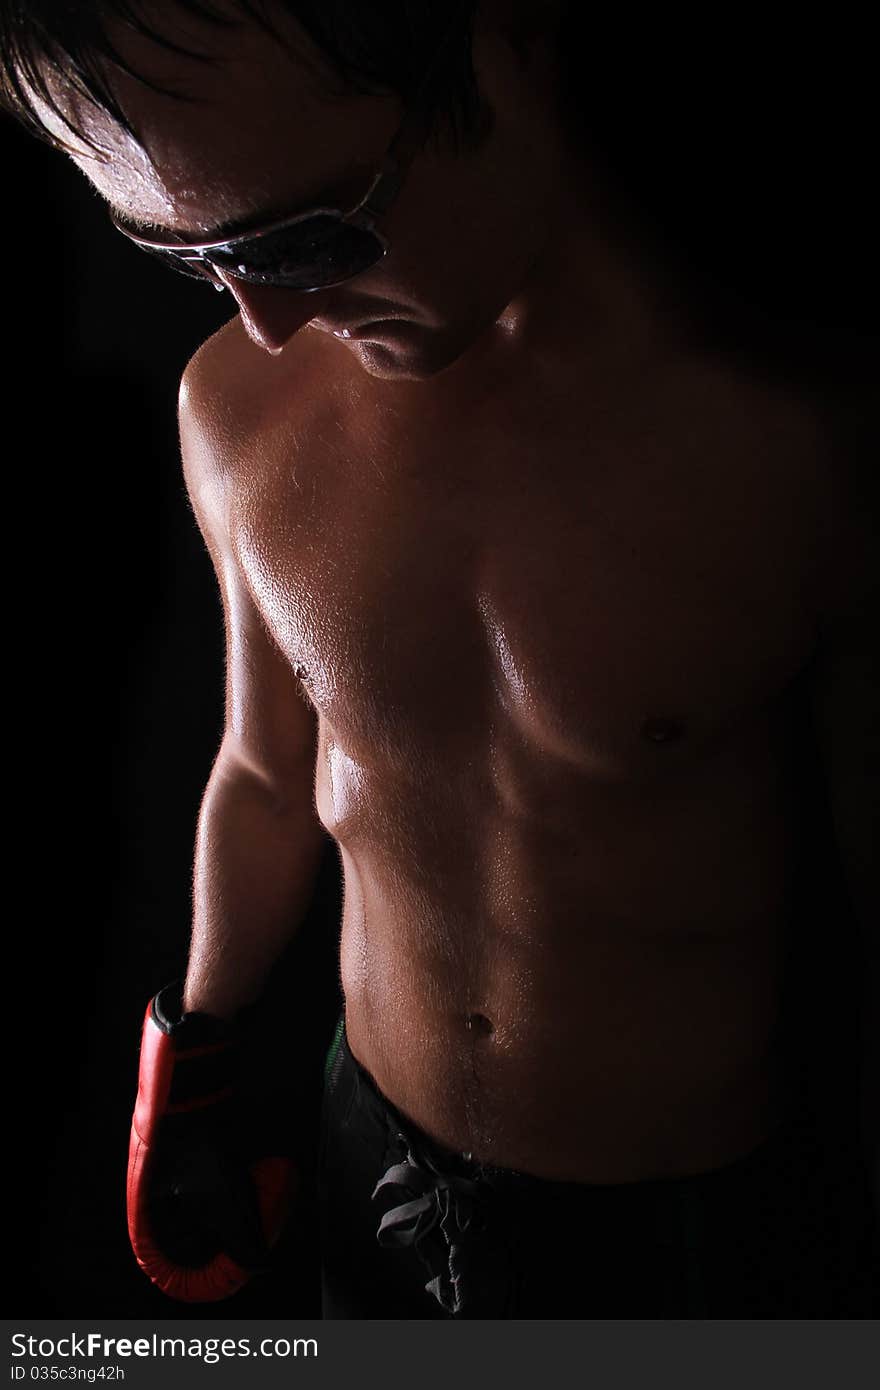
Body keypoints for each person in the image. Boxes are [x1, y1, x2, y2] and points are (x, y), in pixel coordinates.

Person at [3, 1, 876, 1317]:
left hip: (688, 1227)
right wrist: (188, 1056)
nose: (268, 323)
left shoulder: (797, 451)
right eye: (195, 262)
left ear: (506, 37)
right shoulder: (238, 414)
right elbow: (261, 768)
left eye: (301, 236)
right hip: (368, 1154)